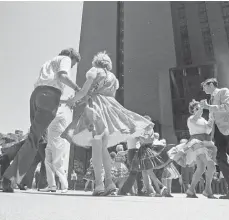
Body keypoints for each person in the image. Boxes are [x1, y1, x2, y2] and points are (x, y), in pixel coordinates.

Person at [61, 51, 153, 196]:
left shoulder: (94, 71)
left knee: (97, 146)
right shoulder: (114, 78)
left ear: (96, 62)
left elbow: (84, 91)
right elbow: (111, 96)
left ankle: (99, 185)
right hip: (110, 108)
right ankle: (109, 183)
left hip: (95, 108)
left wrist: (72, 100)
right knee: (103, 147)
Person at [1, 48, 81, 193]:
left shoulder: (48, 62)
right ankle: (9, 178)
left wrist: (64, 102)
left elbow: (46, 87)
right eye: (74, 64)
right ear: (71, 57)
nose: (72, 66)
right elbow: (62, 76)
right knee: (34, 140)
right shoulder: (65, 59)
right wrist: (78, 89)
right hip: (49, 97)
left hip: (37, 96)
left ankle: (8, 157)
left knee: (33, 137)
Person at [168, 100, 218, 199]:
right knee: (211, 166)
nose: (200, 110)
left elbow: (208, 130)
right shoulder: (191, 119)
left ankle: (191, 190)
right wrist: (206, 113)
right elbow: (202, 126)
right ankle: (208, 190)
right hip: (197, 143)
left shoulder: (203, 119)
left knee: (201, 168)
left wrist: (211, 118)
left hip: (205, 142)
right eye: (197, 108)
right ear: (193, 110)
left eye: (200, 108)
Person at [40, 101, 72, 193]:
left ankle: (65, 186)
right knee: (47, 162)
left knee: (57, 164)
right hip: (50, 142)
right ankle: (51, 185)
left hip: (59, 142)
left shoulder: (60, 113)